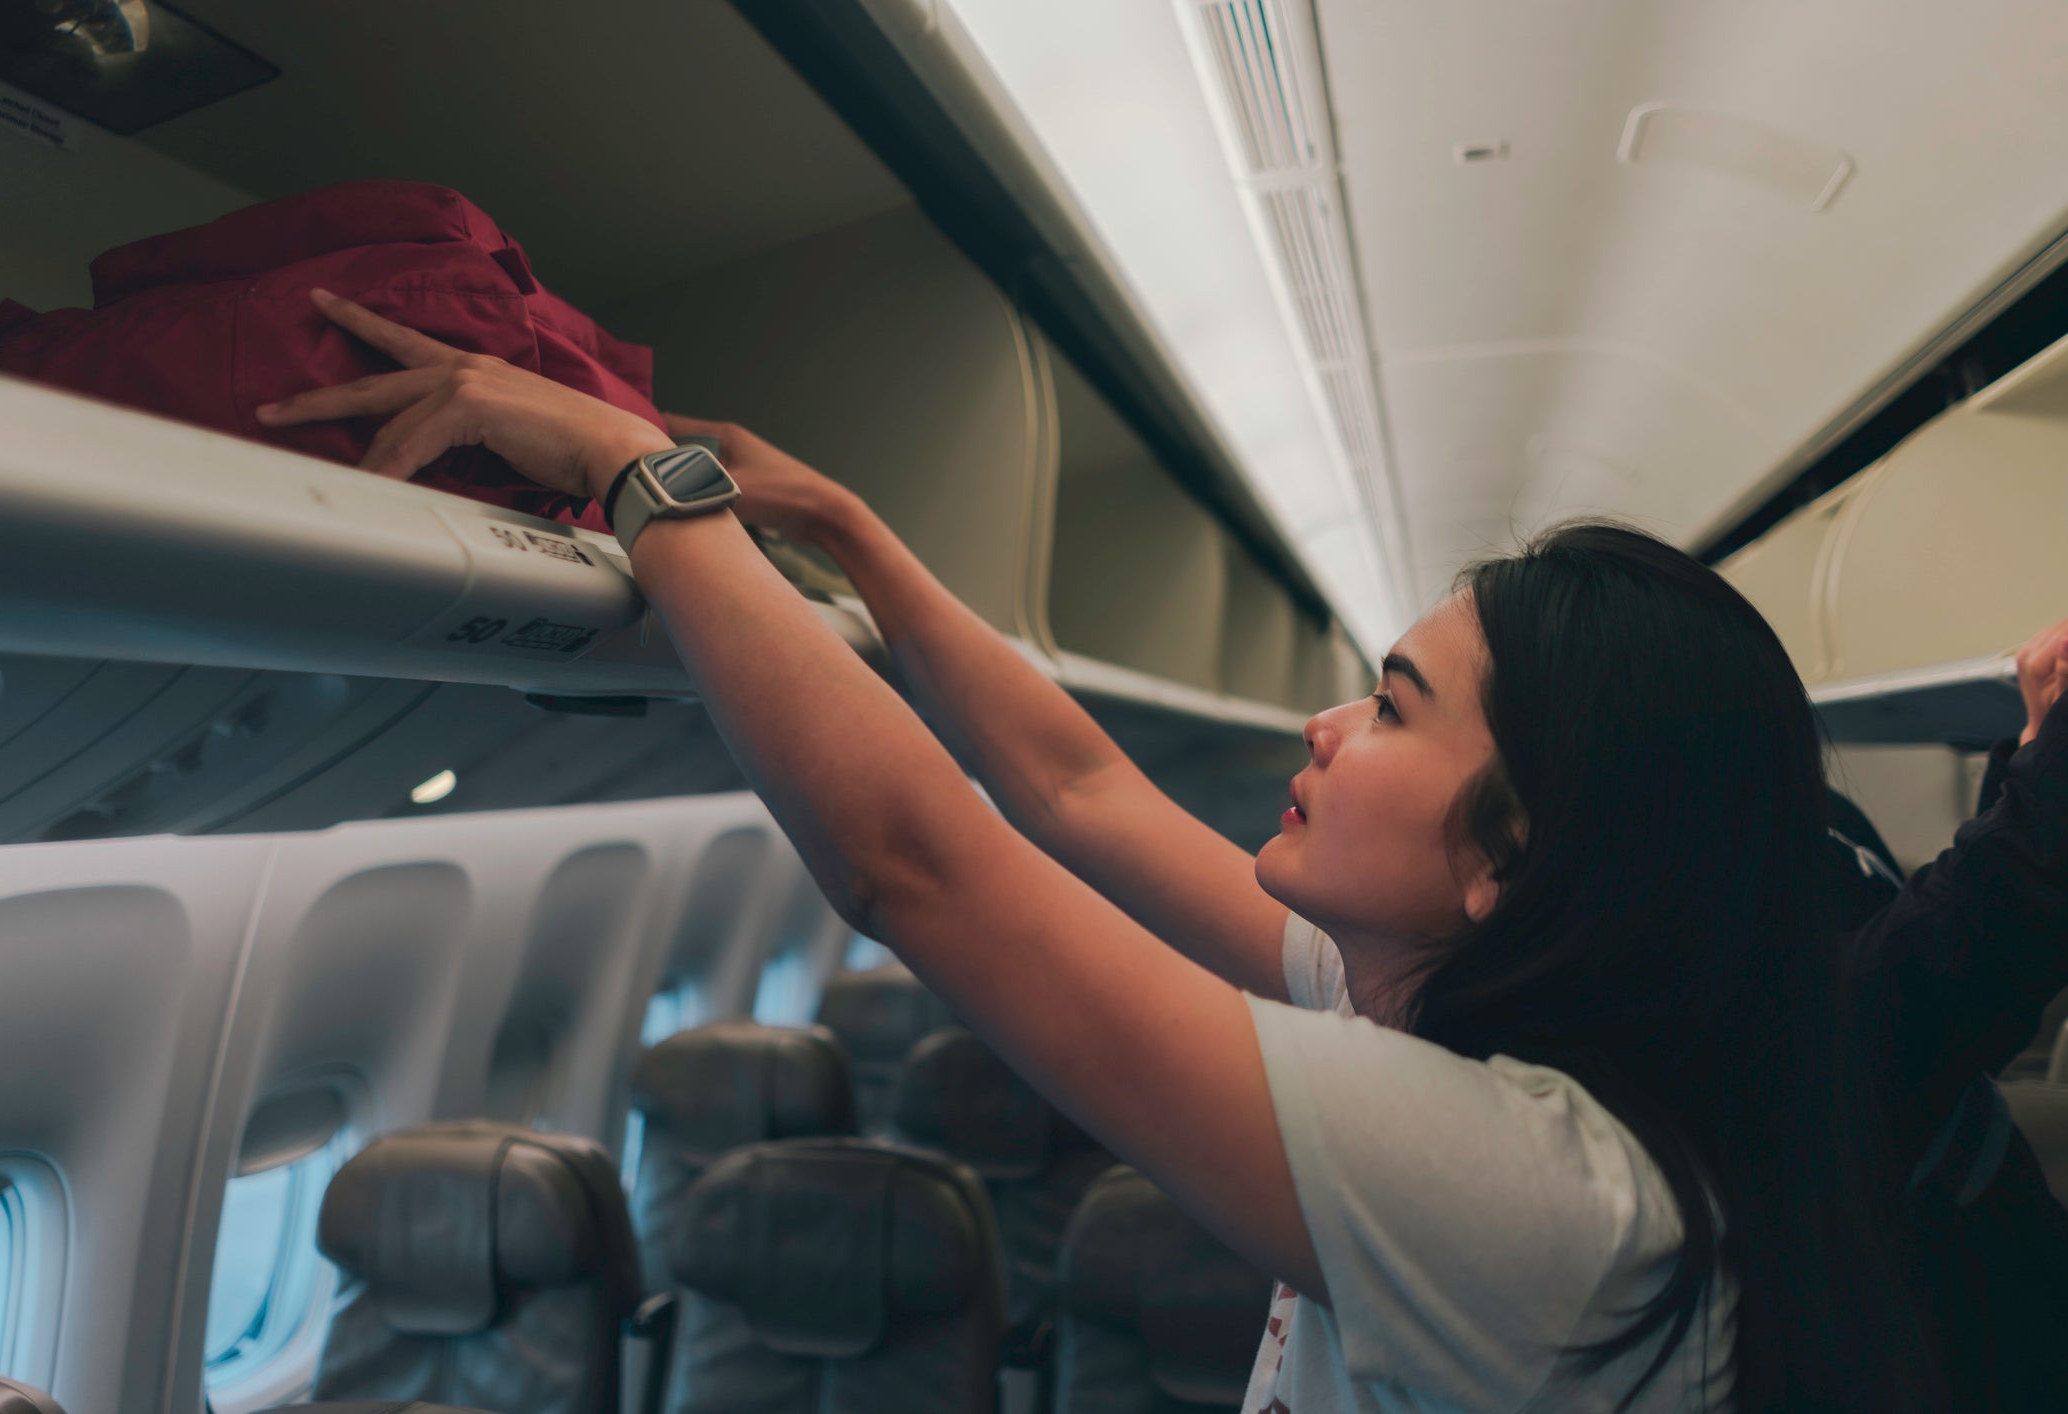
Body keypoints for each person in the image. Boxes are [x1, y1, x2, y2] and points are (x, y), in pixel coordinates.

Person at [259, 289, 2068, 1411]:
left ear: (1509, 863)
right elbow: (1073, 791)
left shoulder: (1544, 1189)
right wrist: (854, 535)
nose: (1322, 726)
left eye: (1390, 705)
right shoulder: (1434, 1002)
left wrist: (635, 481)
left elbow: (917, 869)